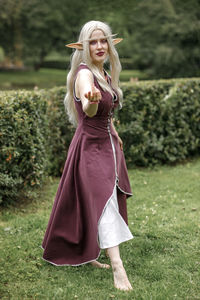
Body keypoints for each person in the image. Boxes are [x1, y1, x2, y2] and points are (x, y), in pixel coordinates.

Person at [42, 20, 133, 291]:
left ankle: (90, 252)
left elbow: (107, 113)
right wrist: (90, 101)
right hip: (89, 149)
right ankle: (118, 267)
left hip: (107, 147)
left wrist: (115, 135)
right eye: (92, 42)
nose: (99, 46)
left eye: (103, 40)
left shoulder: (103, 73)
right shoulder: (84, 74)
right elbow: (91, 108)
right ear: (84, 47)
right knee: (105, 203)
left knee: (92, 201)